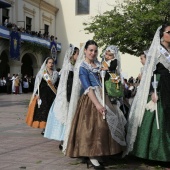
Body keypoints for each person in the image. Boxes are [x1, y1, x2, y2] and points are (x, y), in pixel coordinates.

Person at [64, 40, 126, 169]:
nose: (93, 53)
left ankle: (100, 153)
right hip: (91, 99)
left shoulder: (99, 64)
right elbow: (87, 88)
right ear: (85, 51)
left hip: (104, 95)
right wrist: (97, 104)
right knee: (93, 129)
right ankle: (92, 157)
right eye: (91, 50)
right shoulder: (82, 67)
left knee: (104, 128)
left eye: (95, 51)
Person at [124, 24, 170, 162]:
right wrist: (152, 92)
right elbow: (150, 72)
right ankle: (157, 152)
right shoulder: (156, 50)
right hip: (159, 85)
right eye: (169, 31)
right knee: (159, 117)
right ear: (162, 34)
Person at [44, 45, 79, 150]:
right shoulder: (69, 68)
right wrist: (69, 98)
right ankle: (64, 141)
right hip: (65, 97)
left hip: (63, 95)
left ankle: (66, 140)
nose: (79, 55)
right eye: (77, 53)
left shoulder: (71, 66)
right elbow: (68, 84)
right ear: (72, 55)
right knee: (67, 118)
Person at [25, 57, 58, 135]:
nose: (51, 64)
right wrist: (37, 94)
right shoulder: (42, 73)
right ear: (46, 64)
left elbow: (56, 84)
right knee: (45, 110)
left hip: (53, 94)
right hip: (43, 95)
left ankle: (50, 127)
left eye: (52, 63)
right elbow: (37, 84)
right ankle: (44, 128)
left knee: (52, 111)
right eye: (49, 63)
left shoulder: (56, 74)